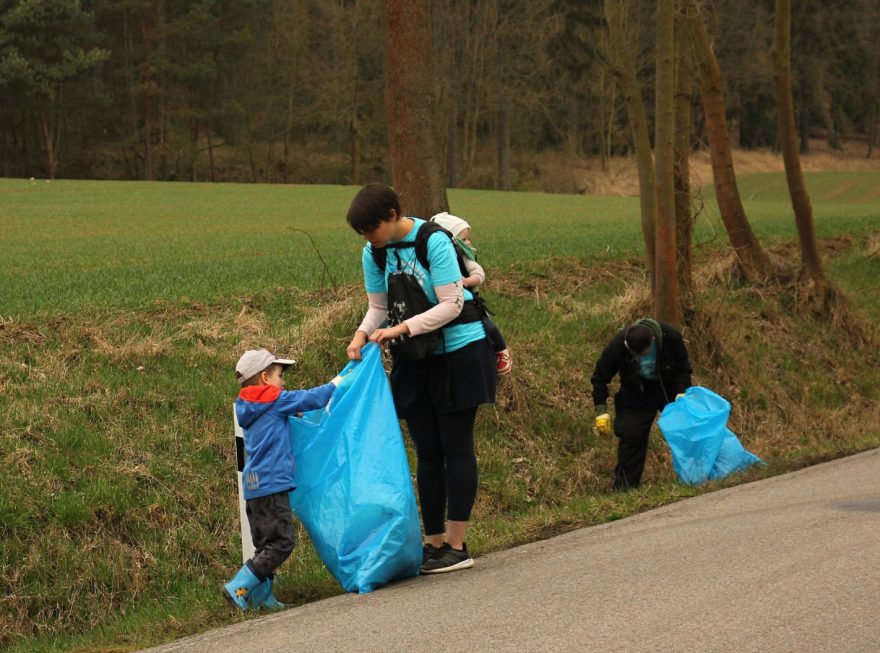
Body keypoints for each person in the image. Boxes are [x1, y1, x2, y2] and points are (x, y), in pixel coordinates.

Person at [345, 183, 496, 574]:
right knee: (427, 451)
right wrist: (361, 334)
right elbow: (378, 306)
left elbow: (452, 304)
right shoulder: (374, 252)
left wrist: (400, 329)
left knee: (455, 446)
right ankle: (434, 544)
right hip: (415, 357)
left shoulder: (433, 241)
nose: (368, 237)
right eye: (362, 232)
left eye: (371, 228)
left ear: (393, 214)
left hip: (459, 352)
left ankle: (457, 545)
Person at [224, 348, 343, 610]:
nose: (284, 382)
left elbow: (274, 420)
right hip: (271, 485)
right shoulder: (274, 399)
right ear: (265, 378)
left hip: (254, 487)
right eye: (280, 375)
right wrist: (336, 383)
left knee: (265, 546)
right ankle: (238, 588)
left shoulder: (250, 406)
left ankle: (261, 597)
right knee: (282, 542)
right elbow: (310, 398)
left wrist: (289, 414)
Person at [590, 318, 693, 490]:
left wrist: (681, 392)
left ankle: (697, 475)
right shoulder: (619, 345)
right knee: (631, 436)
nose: (637, 358)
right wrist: (601, 410)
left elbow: (684, 369)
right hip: (636, 393)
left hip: (668, 388)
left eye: (642, 354)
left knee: (685, 431)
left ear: (652, 341)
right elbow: (600, 377)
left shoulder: (670, 337)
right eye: (634, 355)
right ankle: (625, 488)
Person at [430, 211, 512, 375]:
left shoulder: (465, 258)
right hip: (449, 304)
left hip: (470, 304)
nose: (468, 242)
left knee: (488, 326)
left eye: (468, 238)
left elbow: (479, 275)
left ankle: (502, 352)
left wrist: (467, 281)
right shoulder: (439, 257)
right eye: (464, 239)